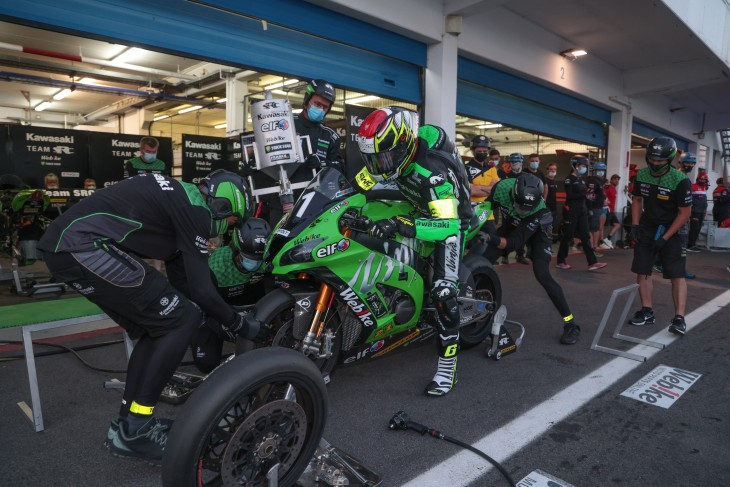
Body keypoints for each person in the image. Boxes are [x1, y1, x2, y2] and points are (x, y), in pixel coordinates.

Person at [37, 169, 268, 464]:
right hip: (81, 245)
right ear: (222, 206)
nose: (226, 229)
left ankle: (127, 425)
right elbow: (201, 291)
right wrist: (239, 324)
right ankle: (137, 430)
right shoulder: (196, 211)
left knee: (157, 326)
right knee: (180, 320)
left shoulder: (182, 198)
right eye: (232, 220)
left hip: (68, 247)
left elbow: (185, 282)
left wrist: (216, 319)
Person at [355, 106, 473, 397]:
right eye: (373, 159)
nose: (379, 166)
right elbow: (356, 185)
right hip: (416, 203)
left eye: (384, 157)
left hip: (448, 217)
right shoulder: (388, 156)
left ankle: (448, 367)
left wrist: (402, 224)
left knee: (444, 293)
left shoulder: (434, 174)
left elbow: (446, 225)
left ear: (404, 144)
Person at [483, 174, 581, 344]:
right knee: (482, 261)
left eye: (527, 207)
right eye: (521, 205)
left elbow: (513, 244)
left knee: (542, 274)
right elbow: (484, 210)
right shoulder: (501, 188)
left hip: (538, 231)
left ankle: (570, 323)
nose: (524, 209)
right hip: (512, 222)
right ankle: (474, 309)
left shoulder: (540, 211)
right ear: (514, 194)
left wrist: (490, 238)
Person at [250, 79, 344, 226]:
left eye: (325, 107)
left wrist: (323, 164)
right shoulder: (282, 122)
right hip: (280, 202)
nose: (321, 109)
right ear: (307, 100)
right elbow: (263, 153)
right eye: (318, 104)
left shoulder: (330, 136)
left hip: (314, 206)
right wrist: (252, 162)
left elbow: (340, 168)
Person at [628, 137, 692, 336]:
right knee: (643, 270)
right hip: (647, 227)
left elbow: (685, 213)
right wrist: (635, 224)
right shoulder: (642, 174)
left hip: (672, 229)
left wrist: (665, 238)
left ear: (670, 159)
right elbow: (637, 200)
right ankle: (647, 311)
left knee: (676, 274)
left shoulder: (680, 180)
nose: (655, 164)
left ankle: (679, 318)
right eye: (652, 159)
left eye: (660, 161)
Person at [190, 217, 270, 373]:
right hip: (217, 308)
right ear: (236, 249)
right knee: (206, 363)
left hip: (250, 305)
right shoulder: (217, 264)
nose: (253, 264)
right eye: (247, 258)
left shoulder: (267, 261)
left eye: (258, 260)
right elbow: (202, 302)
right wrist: (223, 324)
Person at [556, 156, 607, 271]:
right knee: (568, 236)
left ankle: (592, 263)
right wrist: (585, 195)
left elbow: (586, 195)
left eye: (584, 166)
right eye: (581, 166)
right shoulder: (569, 179)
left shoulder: (582, 180)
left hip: (582, 211)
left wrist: (590, 200)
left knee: (585, 236)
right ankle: (560, 261)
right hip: (571, 210)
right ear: (574, 166)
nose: (583, 168)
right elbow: (569, 196)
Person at [465, 134, 500, 262]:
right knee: (475, 245)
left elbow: (495, 190)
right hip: (474, 212)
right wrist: (488, 189)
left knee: (491, 244)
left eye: (485, 151)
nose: (482, 153)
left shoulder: (492, 169)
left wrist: (479, 188)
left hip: (488, 214)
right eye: (479, 151)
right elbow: (470, 190)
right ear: (473, 151)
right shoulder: (465, 168)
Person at [498, 153, 530, 265]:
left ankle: (520, 255)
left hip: (522, 209)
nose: (514, 164)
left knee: (521, 233)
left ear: (521, 162)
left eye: (516, 162)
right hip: (507, 209)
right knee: (506, 232)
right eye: (512, 162)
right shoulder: (505, 176)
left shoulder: (526, 176)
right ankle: (505, 255)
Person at [586, 161, 607, 253]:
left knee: (595, 228)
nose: (601, 172)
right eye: (599, 170)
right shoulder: (593, 181)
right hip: (593, 207)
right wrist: (590, 208)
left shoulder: (600, 181)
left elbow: (599, 193)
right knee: (594, 228)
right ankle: (593, 247)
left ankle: (593, 247)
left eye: (603, 170)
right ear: (595, 170)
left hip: (598, 207)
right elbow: (589, 194)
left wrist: (603, 198)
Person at [687, 170, 709, 251]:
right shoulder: (693, 186)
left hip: (701, 212)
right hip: (694, 211)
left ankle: (693, 244)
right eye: (701, 179)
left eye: (704, 180)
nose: (703, 181)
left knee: (698, 228)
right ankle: (689, 245)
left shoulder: (704, 188)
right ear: (698, 179)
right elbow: (688, 198)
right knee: (694, 228)